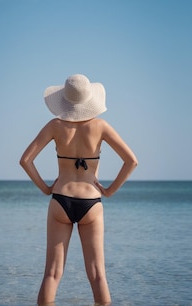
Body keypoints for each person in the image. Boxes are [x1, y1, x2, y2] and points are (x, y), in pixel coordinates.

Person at [20, 74, 138, 305]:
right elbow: (131, 161)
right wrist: (111, 190)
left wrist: (45, 188)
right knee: (97, 275)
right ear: (90, 99)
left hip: (60, 201)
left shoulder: (55, 126)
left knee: (52, 274)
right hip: (91, 203)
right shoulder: (101, 126)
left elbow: (25, 160)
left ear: (65, 100)